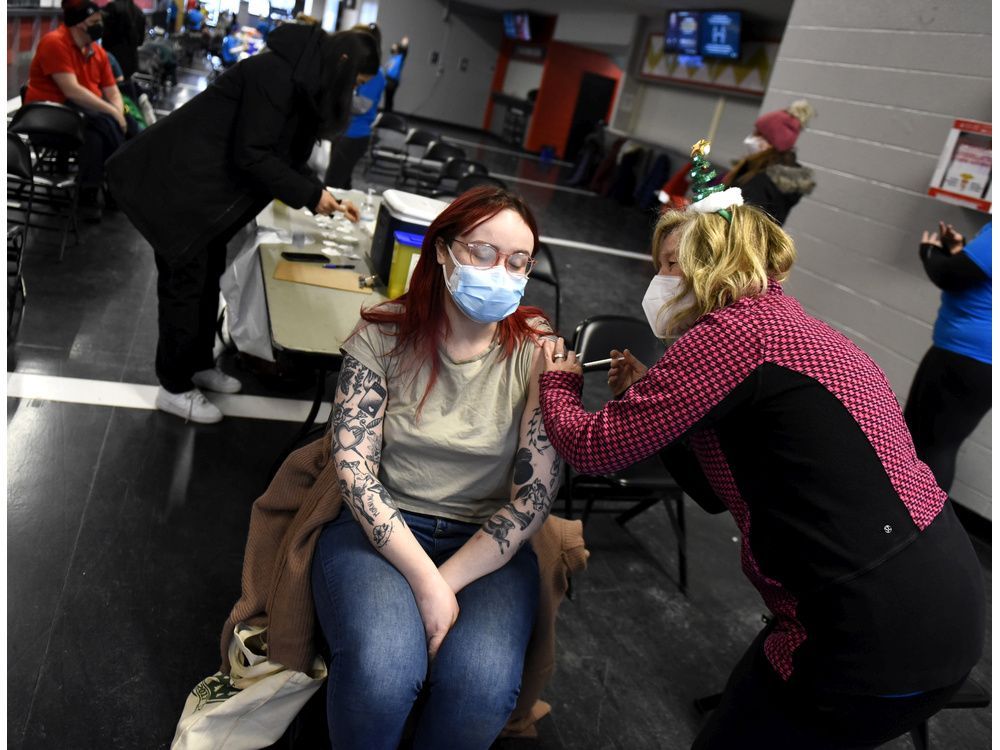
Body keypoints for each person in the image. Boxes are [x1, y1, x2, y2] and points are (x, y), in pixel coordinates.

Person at [537, 142, 985, 749]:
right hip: (940, 603)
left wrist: (557, 383)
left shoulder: (733, 334)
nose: (658, 281)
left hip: (869, 624)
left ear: (711, 265)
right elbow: (718, 490)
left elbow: (592, 449)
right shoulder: (787, 326)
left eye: (670, 265)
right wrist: (658, 403)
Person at [310, 187, 563, 748]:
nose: (501, 271)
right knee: (381, 674)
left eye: (518, 262)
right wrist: (426, 579)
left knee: (480, 688)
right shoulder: (383, 333)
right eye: (483, 253)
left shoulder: (538, 351)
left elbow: (533, 497)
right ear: (443, 252)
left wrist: (444, 583)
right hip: (381, 531)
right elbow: (353, 468)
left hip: (487, 543)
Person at [106, 24, 379, 424]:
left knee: (206, 277)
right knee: (185, 284)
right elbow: (252, 154)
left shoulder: (300, 79)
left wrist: (321, 194)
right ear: (342, 65)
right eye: (355, 83)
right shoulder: (275, 75)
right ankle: (174, 387)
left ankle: (197, 363)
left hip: (206, 194)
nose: (352, 94)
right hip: (182, 187)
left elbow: (283, 154)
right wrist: (311, 195)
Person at [24, 0, 132, 221]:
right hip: (48, 119)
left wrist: (118, 111)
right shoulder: (55, 43)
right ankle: (114, 185)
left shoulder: (97, 53)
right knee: (99, 127)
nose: (99, 25)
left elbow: (113, 92)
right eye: (94, 21)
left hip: (82, 117)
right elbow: (71, 91)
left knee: (98, 132)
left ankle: (93, 192)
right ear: (80, 24)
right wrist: (113, 114)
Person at [904, 220, 991, 495]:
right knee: (927, 440)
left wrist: (930, 252)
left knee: (932, 446)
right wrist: (959, 249)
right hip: (970, 356)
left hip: (967, 356)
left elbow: (950, 275)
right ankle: (906, 522)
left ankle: (916, 525)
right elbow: (976, 272)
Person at [723, 99, 816, 225]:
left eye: (758, 134)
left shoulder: (761, 182)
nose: (751, 138)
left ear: (770, 144)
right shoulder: (771, 176)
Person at [324, 25, 386, 189]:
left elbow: (362, 106)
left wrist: (337, 92)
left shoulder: (374, 74)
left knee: (333, 183)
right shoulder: (356, 68)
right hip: (344, 132)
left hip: (355, 135)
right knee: (342, 183)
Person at [101, 0, 147, 79]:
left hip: (113, 60)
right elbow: (140, 41)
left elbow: (105, 35)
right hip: (132, 61)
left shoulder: (111, 8)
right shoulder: (139, 12)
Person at [383, 35, 409, 112]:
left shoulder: (400, 58)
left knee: (389, 98)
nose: (392, 48)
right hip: (388, 79)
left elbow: (405, 51)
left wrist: (405, 44)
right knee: (387, 98)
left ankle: (388, 113)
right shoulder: (392, 57)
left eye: (394, 47)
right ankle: (386, 112)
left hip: (393, 81)